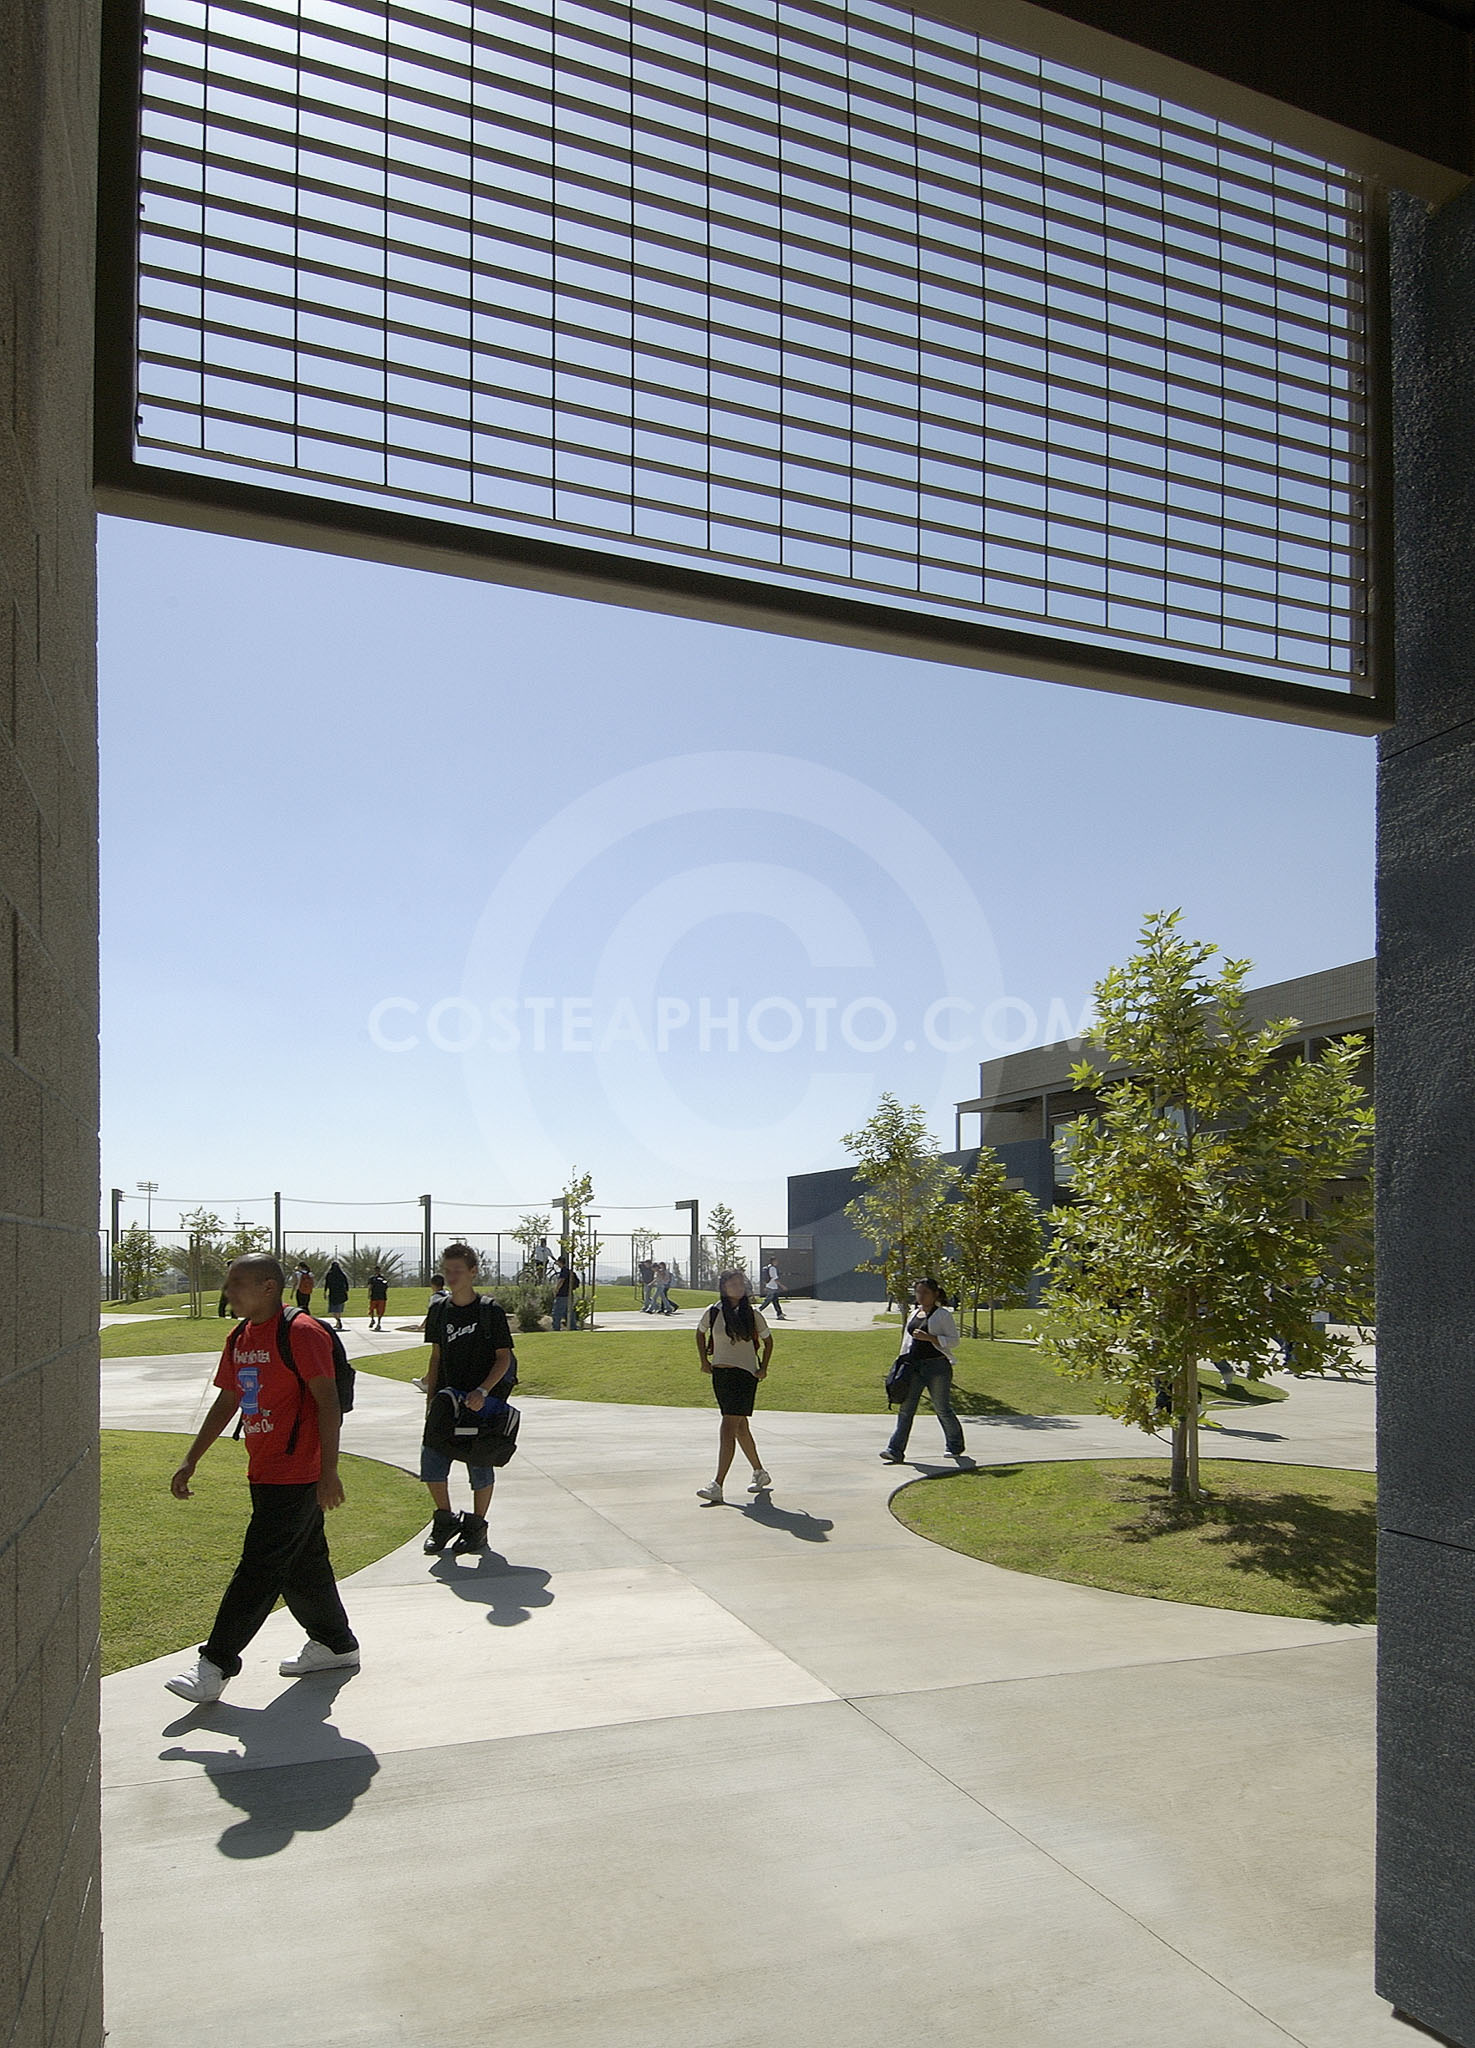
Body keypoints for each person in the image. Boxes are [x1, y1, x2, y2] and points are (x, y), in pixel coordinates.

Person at [163, 1253, 359, 1703]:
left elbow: (328, 1404)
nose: (228, 1292)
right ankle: (334, 1644)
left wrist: (328, 1472)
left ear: (268, 1286)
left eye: (236, 1284)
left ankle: (215, 1664)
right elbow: (228, 1400)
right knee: (302, 1565)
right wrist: (192, 1458)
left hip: (298, 1472)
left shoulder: (302, 1332)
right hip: (264, 1467)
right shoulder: (239, 1336)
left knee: (260, 1566)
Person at [419, 1242, 514, 1556]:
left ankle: (476, 1528)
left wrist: (483, 1391)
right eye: (447, 1270)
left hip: (480, 1404)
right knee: (432, 1463)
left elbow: (504, 1358)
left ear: (473, 1272)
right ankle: (445, 1521)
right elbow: (435, 1357)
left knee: (480, 1466)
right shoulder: (438, 1309)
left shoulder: (490, 1310)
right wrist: (431, 1399)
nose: (451, 1276)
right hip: (447, 1400)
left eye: (457, 1271)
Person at [695, 1269, 773, 1503]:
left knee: (728, 1426)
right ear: (724, 1287)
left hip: (745, 1376)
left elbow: (769, 1342)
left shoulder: (754, 1314)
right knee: (740, 1427)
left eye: (741, 1283)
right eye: (733, 1283)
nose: (738, 1287)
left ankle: (717, 1484)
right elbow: (699, 1334)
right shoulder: (714, 1311)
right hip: (721, 1374)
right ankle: (760, 1472)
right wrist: (704, 1361)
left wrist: (763, 1368)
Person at [881, 1277, 966, 1464]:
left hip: (937, 1367)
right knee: (906, 1410)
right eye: (918, 1292)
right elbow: (907, 1341)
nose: (921, 1296)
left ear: (935, 1294)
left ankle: (955, 1444)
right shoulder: (914, 1314)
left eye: (925, 1292)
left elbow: (954, 1340)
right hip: (914, 1367)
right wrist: (900, 1362)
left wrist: (931, 1338)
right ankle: (894, 1450)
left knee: (942, 1408)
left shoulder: (942, 1315)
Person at [551, 1252, 580, 1330]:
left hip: (562, 1295)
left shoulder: (563, 1271)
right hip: (569, 1294)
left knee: (557, 1312)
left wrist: (556, 1290)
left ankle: (556, 1328)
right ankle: (573, 1327)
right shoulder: (569, 1271)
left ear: (560, 1262)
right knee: (570, 1312)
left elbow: (561, 1281)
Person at [323, 1258, 349, 1331]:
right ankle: (338, 1321)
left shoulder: (329, 1274)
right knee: (339, 1309)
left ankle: (338, 1321)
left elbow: (326, 1284)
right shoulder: (342, 1274)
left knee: (333, 1309)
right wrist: (346, 1291)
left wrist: (325, 1292)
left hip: (333, 1293)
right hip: (341, 1293)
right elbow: (346, 1284)